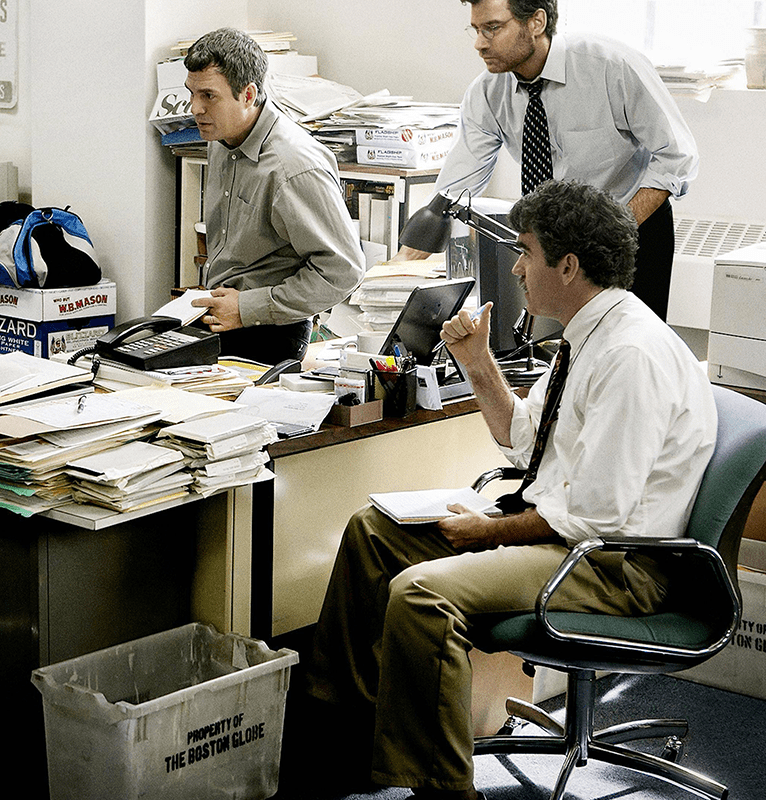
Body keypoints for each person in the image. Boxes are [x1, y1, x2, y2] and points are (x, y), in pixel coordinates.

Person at [305, 180, 717, 799]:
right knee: (373, 533)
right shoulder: (586, 334)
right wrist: (477, 363)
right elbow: (526, 441)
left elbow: (593, 515)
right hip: (572, 536)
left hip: (615, 565)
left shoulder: (631, 353)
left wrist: (487, 532)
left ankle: (441, 788)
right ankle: (341, 735)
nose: (517, 267)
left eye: (525, 252)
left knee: (420, 595)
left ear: (569, 265)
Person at [398, 0, 698, 321]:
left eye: (493, 28)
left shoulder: (612, 66)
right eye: (476, 30)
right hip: (553, 241)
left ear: (536, 22)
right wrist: (402, 264)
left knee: (631, 348)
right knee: (562, 349)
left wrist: (613, 229)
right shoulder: (487, 93)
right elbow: (458, 183)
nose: (479, 44)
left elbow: (676, 156)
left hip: (629, 225)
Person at [184, 28, 365, 364]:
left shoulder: (293, 166)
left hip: (269, 332)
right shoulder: (222, 137)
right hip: (222, 315)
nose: (195, 108)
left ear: (249, 94)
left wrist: (246, 308)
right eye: (192, 93)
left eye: (209, 95)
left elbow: (343, 271)